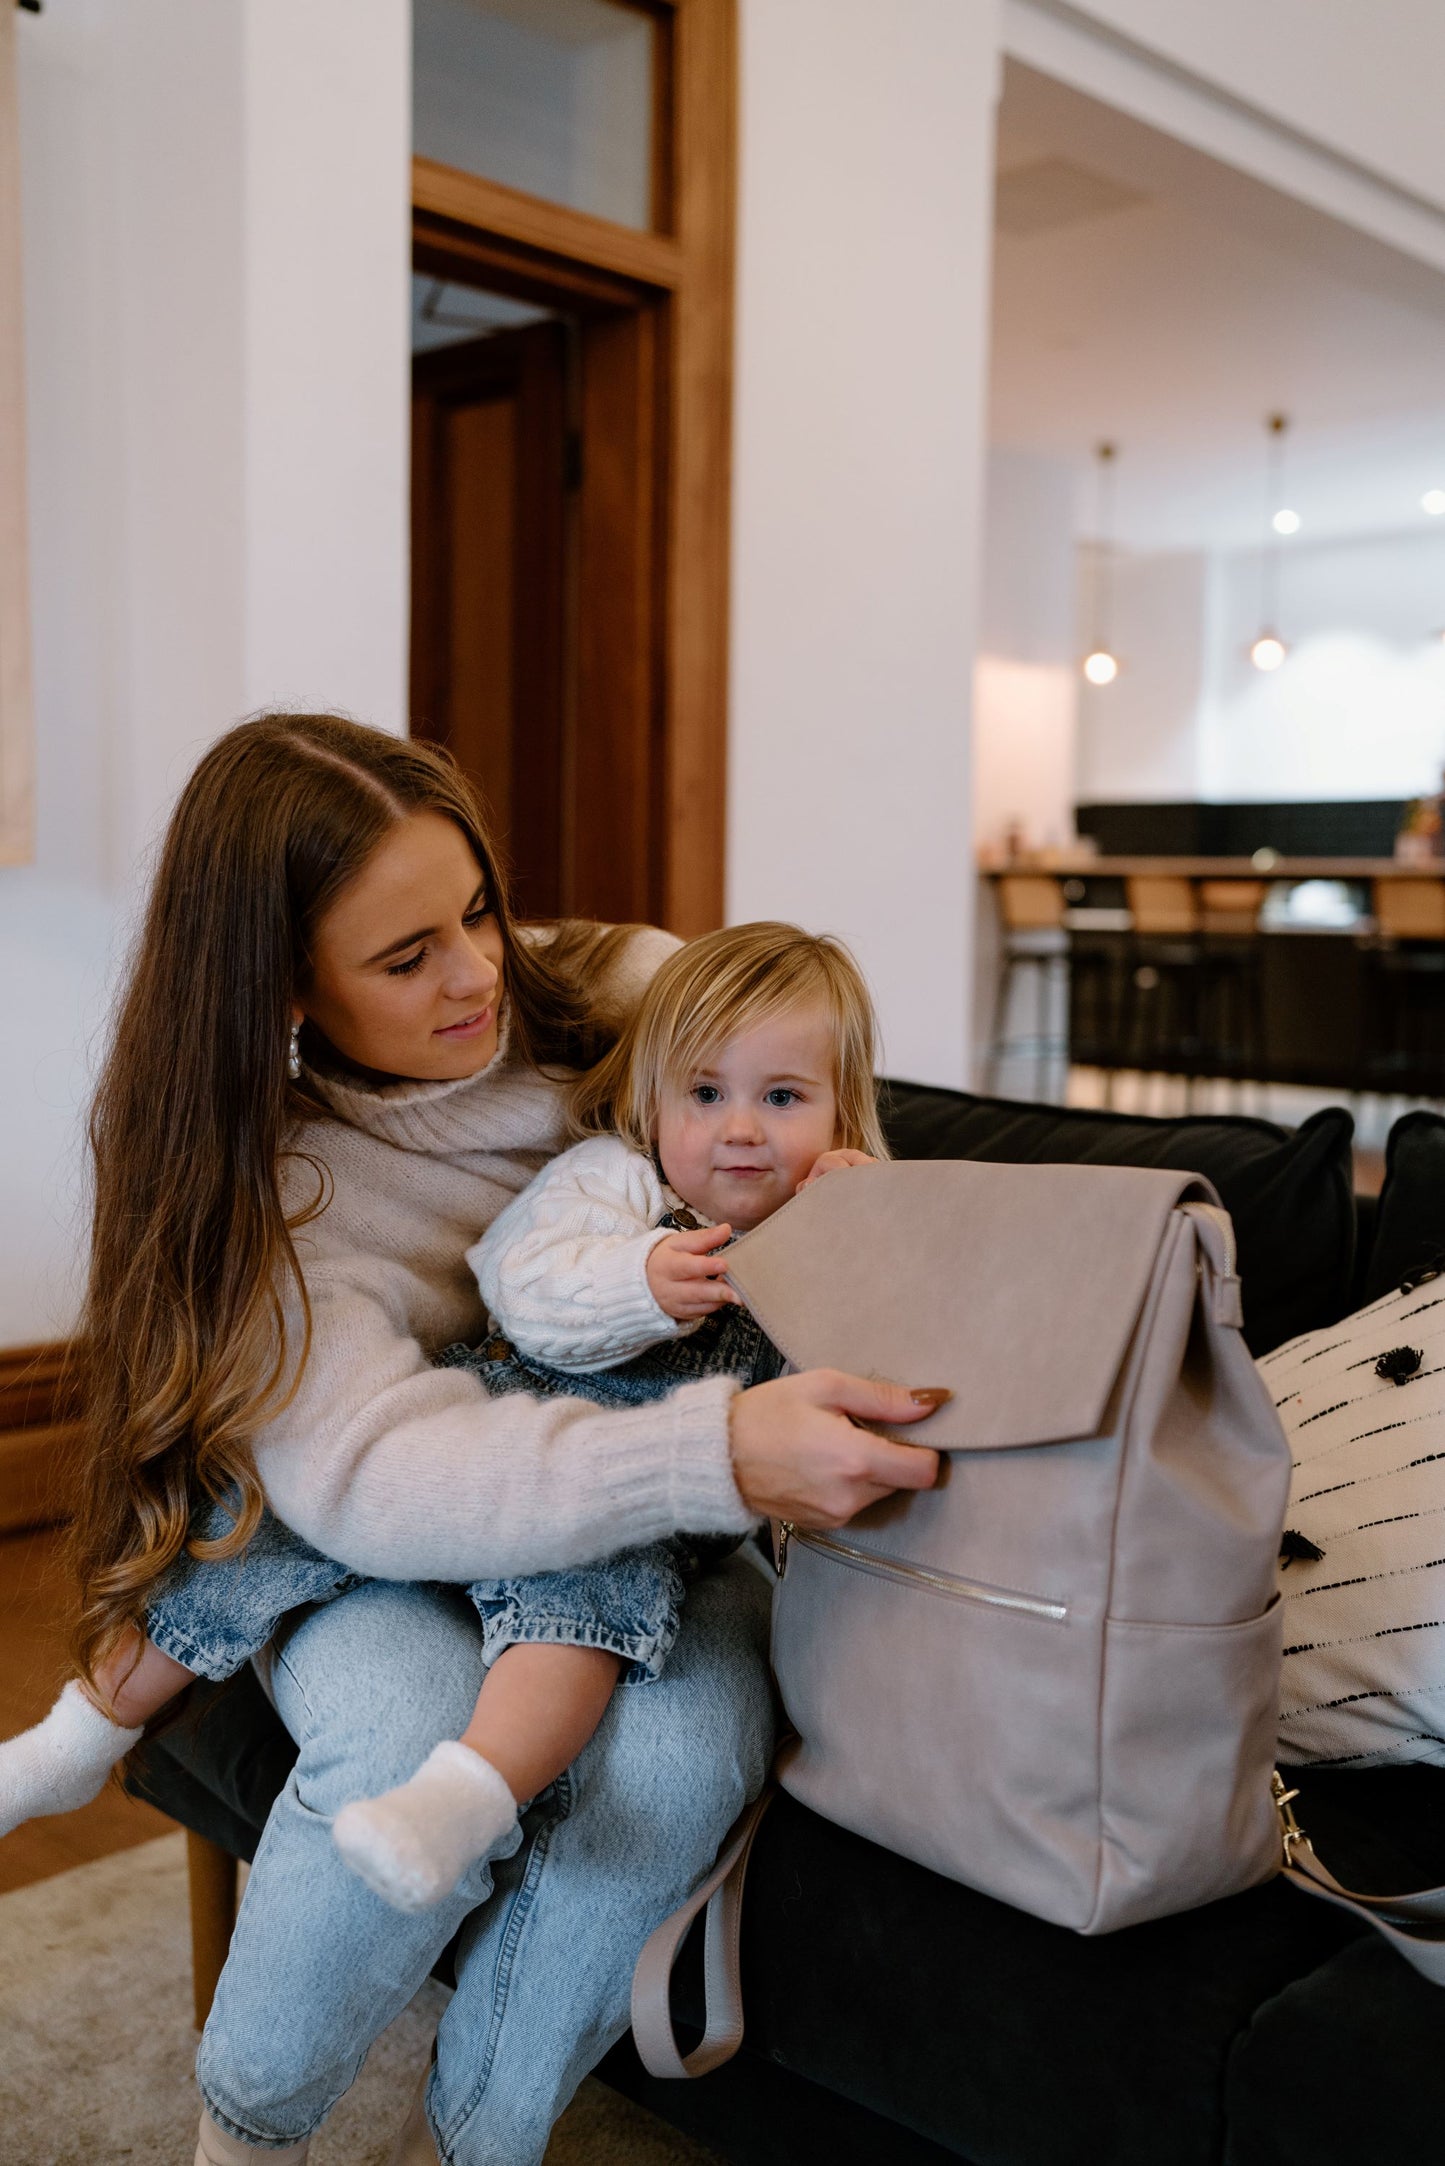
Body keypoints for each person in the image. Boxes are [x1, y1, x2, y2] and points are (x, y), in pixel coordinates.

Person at [0, 713, 942, 2166]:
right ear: (282, 988)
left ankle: (483, 2141)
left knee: (678, 1764)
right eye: (405, 955)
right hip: (371, 1542)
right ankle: (244, 2134)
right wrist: (723, 1448)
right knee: (399, 1736)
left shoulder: (632, 993)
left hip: (662, 1524)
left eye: (480, 908)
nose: (479, 970)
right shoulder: (281, 1193)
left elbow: (798, 1089)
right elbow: (376, 1478)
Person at [0, 922, 899, 1918]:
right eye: (704, 1094)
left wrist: (868, 1235)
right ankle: (82, 1734)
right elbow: (515, 1280)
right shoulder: (616, 1180)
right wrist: (636, 1283)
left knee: (585, 1619)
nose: (739, 1129)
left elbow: (868, 1379)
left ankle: (463, 1800)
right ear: (652, 1101)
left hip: (635, 1498)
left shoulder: (829, 1227)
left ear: (839, 1111)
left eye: (781, 1099)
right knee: (255, 1526)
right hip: (493, 1427)